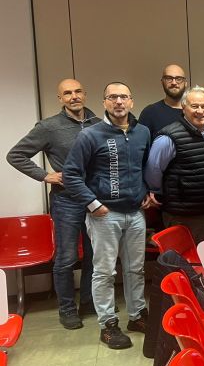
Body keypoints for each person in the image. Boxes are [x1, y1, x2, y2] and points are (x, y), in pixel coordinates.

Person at [62, 82, 155, 350]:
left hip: (135, 214)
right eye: (112, 97)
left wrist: (146, 190)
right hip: (105, 215)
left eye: (123, 97)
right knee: (103, 272)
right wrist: (92, 204)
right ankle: (108, 325)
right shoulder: (90, 135)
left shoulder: (143, 133)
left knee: (136, 269)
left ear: (132, 101)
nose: (118, 102)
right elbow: (70, 174)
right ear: (104, 102)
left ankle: (137, 316)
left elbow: (144, 167)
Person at [6, 78, 100, 329]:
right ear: (60, 99)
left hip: (95, 201)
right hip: (66, 201)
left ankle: (89, 302)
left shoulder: (100, 124)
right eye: (67, 93)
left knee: (94, 255)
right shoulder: (49, 127)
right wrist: (45, 175)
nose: (74, 96)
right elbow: (15, 155)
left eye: (78, 91)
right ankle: (67, 309)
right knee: (66, 258)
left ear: (85, 94)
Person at [144, 86, 204, 243]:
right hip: (184, 215)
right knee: (186, 264)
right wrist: (155, 191)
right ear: (183, 107)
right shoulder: (169, 137)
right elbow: (153, 171)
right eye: (194, 106)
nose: (200, 111)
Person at [138, 64, 188, 139]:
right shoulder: (150, 112)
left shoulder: (194, 112)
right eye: (168, 78)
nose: (174, 82)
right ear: (162, 82)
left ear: (185, 83)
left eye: (178, 79)